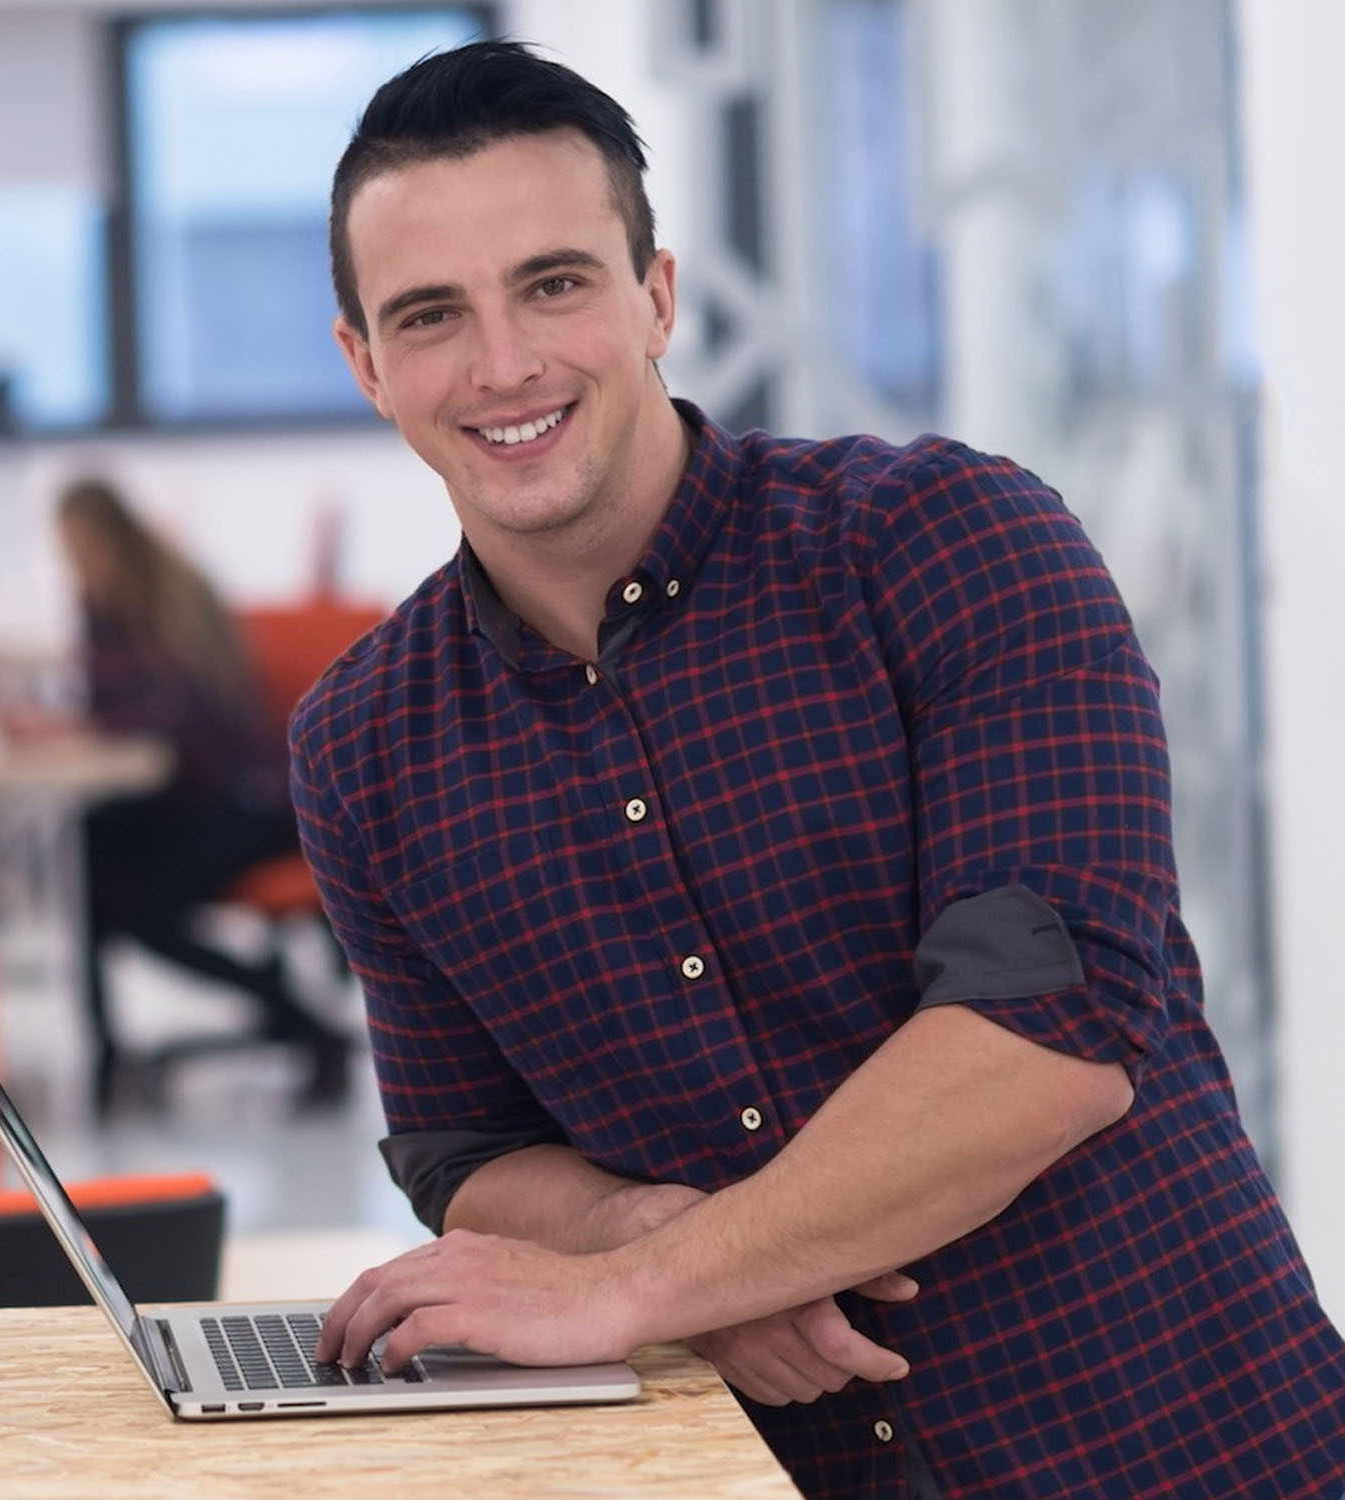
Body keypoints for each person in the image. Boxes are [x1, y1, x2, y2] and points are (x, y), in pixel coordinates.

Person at [293, 41, 1343, 1500]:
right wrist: (661, 1240)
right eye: (429, 315)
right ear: (366, 366)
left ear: (656, 297)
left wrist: (638, 1291)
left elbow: (1048, 1038)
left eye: (555, 283)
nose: (504, 364)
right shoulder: (360, 748)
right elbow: (465, 1150)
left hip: (1173, 1450)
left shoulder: (946, 541)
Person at [54, 479, 353, 1112]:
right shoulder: (139, 595)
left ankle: (300, 1021)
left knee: (146, 913)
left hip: (246, 802)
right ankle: (104, 1039)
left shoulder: (158, 604)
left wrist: (85, 717)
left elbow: (171, 718)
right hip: (198, 796)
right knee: (87, 842)